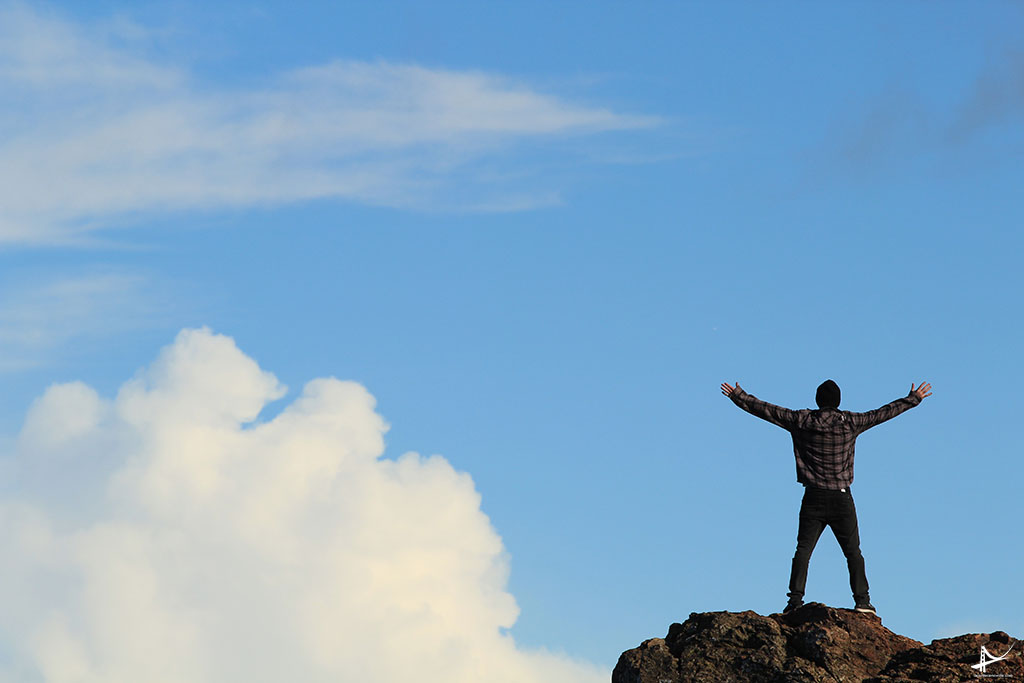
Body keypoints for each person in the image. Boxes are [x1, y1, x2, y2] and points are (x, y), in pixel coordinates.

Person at [720, 379, 932, 616]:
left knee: (803, 550)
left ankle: (794, 601)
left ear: (817, 401)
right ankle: (862, 601)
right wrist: (913, 399)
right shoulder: (850, 422)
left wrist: (738, 395)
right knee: (853, 552)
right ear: (838, 402)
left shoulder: (801, 420)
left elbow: (766, 410)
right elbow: (882, 414)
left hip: (813, 497)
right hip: (841, 498)